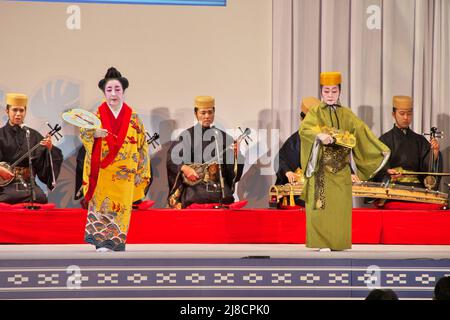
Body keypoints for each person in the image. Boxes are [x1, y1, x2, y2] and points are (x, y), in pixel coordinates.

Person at [299, 72, 390, 251]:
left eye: (334, 91)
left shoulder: (346, 114)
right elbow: (305, 129)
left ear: (340, 91)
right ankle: (321, 243)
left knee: (340, 209)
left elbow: (361, 130)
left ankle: (338, 243)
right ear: (321, 92)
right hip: (321, 170)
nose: (330, 95)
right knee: (320, 207)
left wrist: (379, 149)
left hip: (341, 169)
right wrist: (319, 135)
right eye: (327, 91)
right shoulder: (315, 112)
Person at [80, 67, 151, 252]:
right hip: (103, 170)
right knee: (101, 205)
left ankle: (117, 240)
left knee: (122, 206)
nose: (113, 94)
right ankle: (100, 240)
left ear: (123, 91)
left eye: (117, 89)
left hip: (126, 173)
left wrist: (140, 170)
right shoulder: (96, 117)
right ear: (104, 92)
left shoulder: (134, 118)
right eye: (109, 90)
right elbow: (84, 135)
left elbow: (142, 144)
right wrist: (93, 134)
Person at [167, 96, 244, 209]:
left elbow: (233, 174)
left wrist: (236, 156)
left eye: (210, 112)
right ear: (196, 113)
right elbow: (172, 159)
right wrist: (184, 168)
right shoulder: (187, 136)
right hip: (196, 191)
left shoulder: (224, 137)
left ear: (214, 112)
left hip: (220, 193)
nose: (207, 116)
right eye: (203, 113)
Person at [0, 93, 63, 204]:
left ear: (25, 112)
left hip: (28, 183)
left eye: (21, 110)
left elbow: (46, 159)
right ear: (7, 111)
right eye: (14, 110)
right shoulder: (1, 134)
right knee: (9, 197)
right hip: (5, 184)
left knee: (40, 198)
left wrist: (50, 148)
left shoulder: (32, 135)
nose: (18, 114)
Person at [373, 96, 442, 190]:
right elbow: (377, 166)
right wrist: (388, 172)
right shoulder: (385, 140)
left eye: (409, 114)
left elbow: (427, 169)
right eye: (402, 113)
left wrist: (434, 153)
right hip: (393, 186)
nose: (406, 117)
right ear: (393, 114)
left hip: (416, 187)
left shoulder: (419, 140)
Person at [275, 97, 321, 186]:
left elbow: (338, 158)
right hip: (299, 190)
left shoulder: (326, 138)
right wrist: (288, 172)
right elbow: (279, 159)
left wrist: (350, 173)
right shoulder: (296, 140)